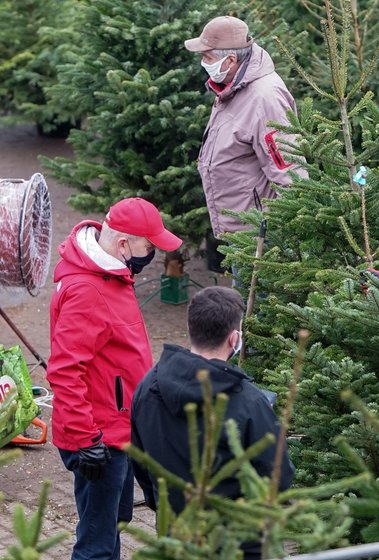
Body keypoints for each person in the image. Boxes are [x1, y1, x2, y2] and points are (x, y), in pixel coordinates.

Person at [46, 197, 182, 560]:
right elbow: (64, 369)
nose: (151, 253)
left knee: (114, 523)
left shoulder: (111, 272)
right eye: (148, 246)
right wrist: (85, 438)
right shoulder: (88, 290)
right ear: (124, 244)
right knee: (97, 544)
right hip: (98, 438)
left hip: (119, 430)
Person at [130, 286, 294, 560]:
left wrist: (161, 503)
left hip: (176, 533)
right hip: (238, 543)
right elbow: (278, 477)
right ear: (234, 338)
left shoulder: (148, 386)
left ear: (191, 327)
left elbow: (140, 460)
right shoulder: (250, 403)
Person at [184, 16, 306, 242]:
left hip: (260, 233)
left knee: (249, 279)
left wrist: (294, 233)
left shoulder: (264, 99)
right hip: (240, 227)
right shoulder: (232, 86)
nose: (203, 62)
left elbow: (288, 170)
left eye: (207, 57)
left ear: (230, 60)